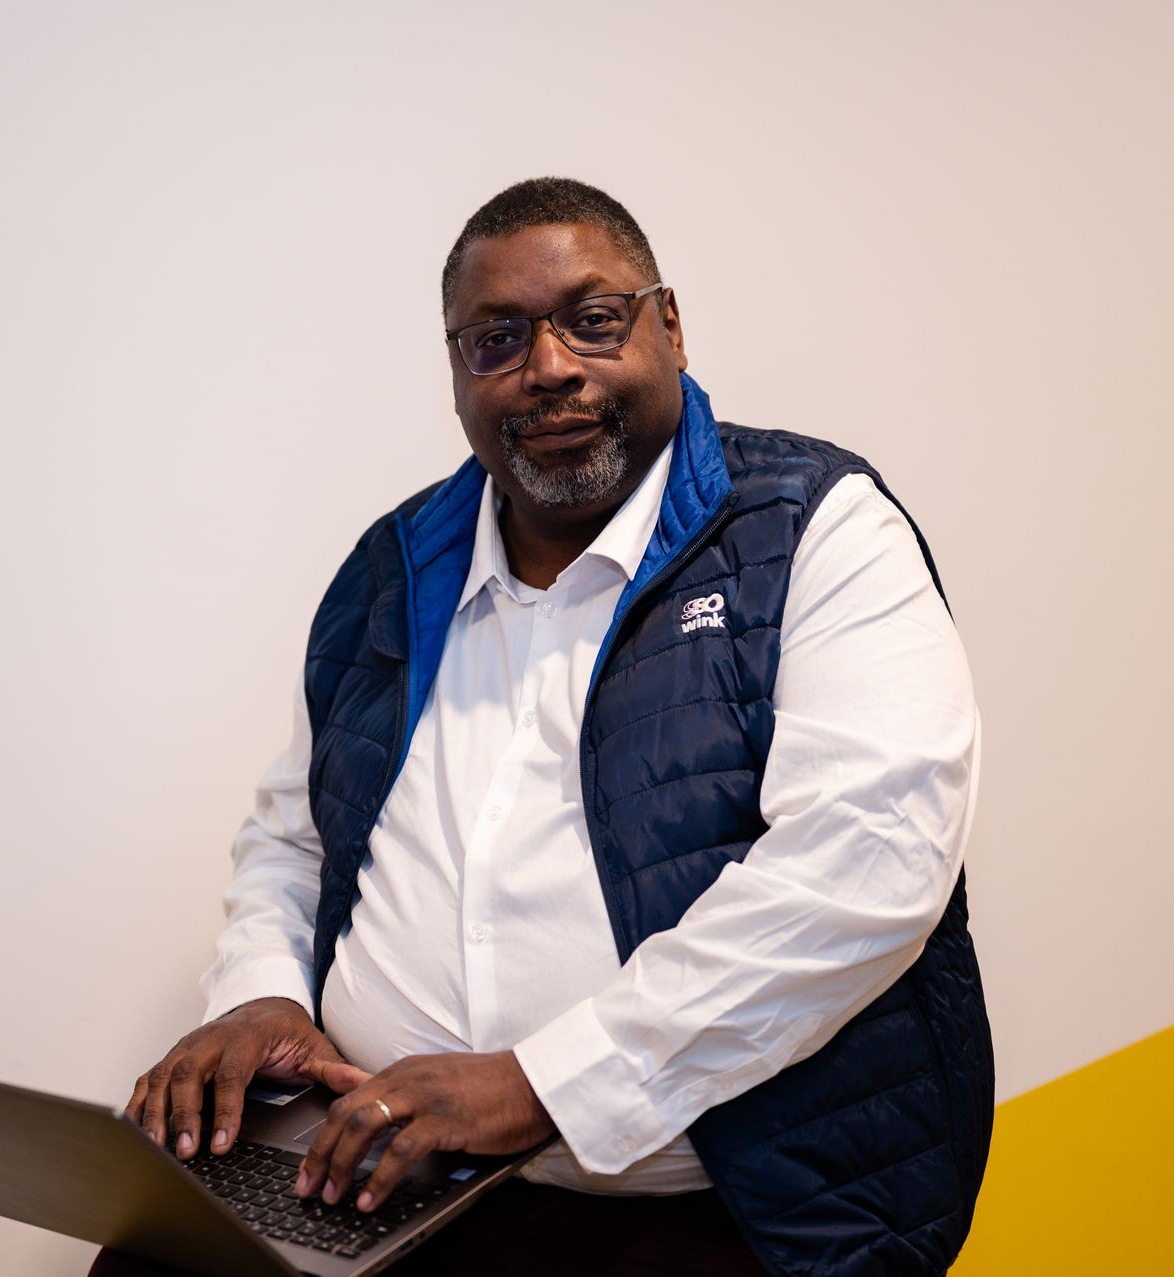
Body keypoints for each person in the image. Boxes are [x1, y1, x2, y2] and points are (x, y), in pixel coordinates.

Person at [116, 178, 993, 1276]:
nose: (549, 368)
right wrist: (261, 993)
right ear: (455, 372)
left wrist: (541, 1083)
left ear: (668, 325)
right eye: (497, 339)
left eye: (592, 318)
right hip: (394, 1178)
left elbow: (868, 866)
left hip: (713, 1205)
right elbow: (296, 834)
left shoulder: (815, 525)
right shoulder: (390, 567)